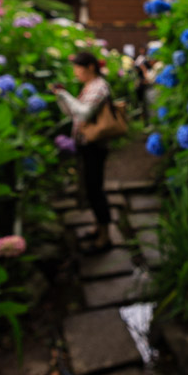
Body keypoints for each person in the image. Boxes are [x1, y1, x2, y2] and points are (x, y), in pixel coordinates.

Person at [50, 51, 112, 252]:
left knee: (96, 190)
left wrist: (65, 95)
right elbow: (72, 113)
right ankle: (98, 227)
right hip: (86, 145)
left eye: (78, 68)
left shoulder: (99, 86)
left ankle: (105, 237)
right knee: (91, 188)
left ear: (90, 67)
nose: (76, 73)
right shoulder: (89, 86)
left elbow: (84, 113)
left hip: (95, 145)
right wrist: (61, 97)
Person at [134, 46, 152, 123]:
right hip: (142, 83)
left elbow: (147, 77)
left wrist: (143, 69)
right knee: (142, 102)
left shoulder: (146, 60)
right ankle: (143, 117)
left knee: (147, 103)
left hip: (146, 84)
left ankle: (146, 118)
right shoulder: (140, 58)